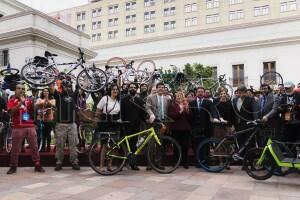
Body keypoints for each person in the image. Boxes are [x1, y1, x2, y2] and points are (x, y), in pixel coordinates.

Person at [6, 83, 45, 174]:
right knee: (15, 148)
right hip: (17, 127)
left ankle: (37, 165)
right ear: (15, 90)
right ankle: (13, 166)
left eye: (23, 88)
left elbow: (33, 112)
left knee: (35, 147)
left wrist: (35, 105)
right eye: (19, 88)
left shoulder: (28, 100)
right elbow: (11, 112)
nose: (21, 90)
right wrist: (21, 103)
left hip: (30, 126)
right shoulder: (11, 100)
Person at [50, 80, 80, 171]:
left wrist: (85, 74)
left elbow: (83, 87)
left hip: (72, 124)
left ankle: (74, 162)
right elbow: (51, 88)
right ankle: (59, 162)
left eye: (69, 86)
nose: (68, 88)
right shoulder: (59, 95)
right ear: (62, 87)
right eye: (66, 86)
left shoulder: (74, 95)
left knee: (73, 144)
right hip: (61, 124)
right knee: (60, 144)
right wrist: (50, 78)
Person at [121, 83, 146, 170]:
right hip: (125, 126)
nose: (132, 89)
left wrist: (148, 120)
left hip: (136, 126)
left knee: (134, 146)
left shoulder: (139, 100)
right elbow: (121, 113)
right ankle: (122, 164)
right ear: (128, 89)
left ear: (137, 89)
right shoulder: (123, 99)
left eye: (134, 88)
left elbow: (142, 114)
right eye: (131, 87)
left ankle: (133, 164)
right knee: (123, 146)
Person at [95, 83, 121, 172]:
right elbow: (98, 110)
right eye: (113, 89)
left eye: (117, 89)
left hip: (115, 123)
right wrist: (97, 121)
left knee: (114, 145)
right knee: (105, 145)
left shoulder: (118, 100)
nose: (115, 91)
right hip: (105, 122)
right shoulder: (104, 98)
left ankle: (109, 165)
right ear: (110, 90)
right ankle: (101, 166)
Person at [189, 86, 218, 163]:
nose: (200, 93)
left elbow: (213, 110)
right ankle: (197, 161)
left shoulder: (208, 102)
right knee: (196, 145)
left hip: (206, 127)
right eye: (199, 91)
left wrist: (214, 117)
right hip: (195, 128)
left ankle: (205, 161)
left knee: (205, 145)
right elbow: (189, 115)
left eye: (202, 92)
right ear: (196, 93)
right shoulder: (192, 103)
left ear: (204, 93)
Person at [168, 91, 191, 169]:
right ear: (175, 97)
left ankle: (185, 162)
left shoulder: (186, 104)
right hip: (176, 129)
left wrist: (187, 110)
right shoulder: (172, 105)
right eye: (177, 96)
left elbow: (190, 116)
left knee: (185, 146)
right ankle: (176, 162)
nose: (179, 97)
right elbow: (172, 116)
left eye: (180, 96)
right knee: (176, 146)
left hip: (185, 129)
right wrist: (180, 111)